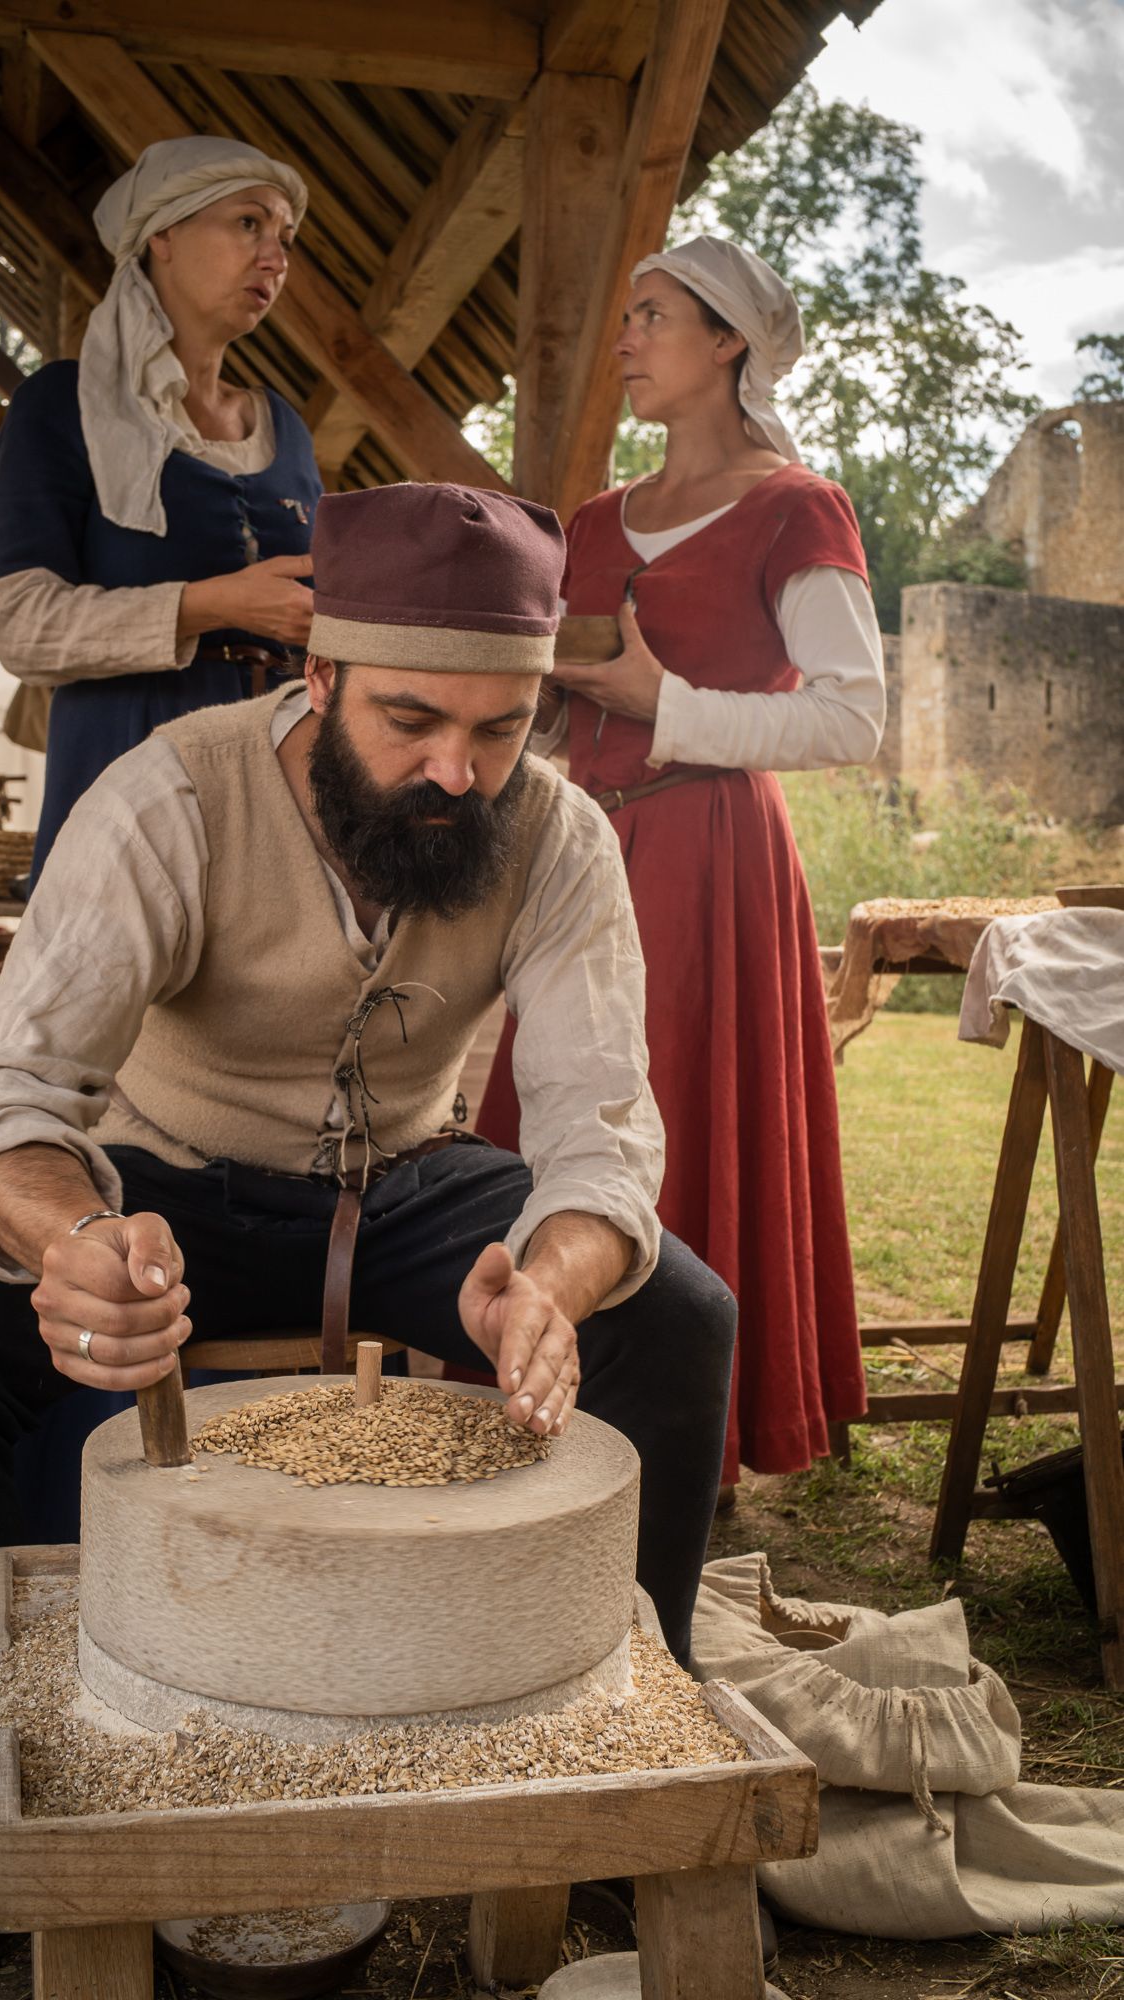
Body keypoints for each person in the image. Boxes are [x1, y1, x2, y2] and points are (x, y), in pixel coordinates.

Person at [0, 483, 736, 2000]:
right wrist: (68, 1240)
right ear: (315, 684)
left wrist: (551, 1287)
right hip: (162, 1180)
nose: (457, 771)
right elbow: (14, 1088)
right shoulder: (172, 798)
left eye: (500, 731)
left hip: (408, 1184)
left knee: (677, 1313)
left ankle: (621, 1736)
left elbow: (597, 1123)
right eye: (410, 722)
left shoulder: (558, 836)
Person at [480, 237, 885, 1497]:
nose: (626, 337)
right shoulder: (592, 525)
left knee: (687, 1118)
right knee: (553, 1110)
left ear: (728, 344)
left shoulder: (795, 506)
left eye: (650, 315)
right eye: (626, 314)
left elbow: (851, 717)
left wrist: (673, 704)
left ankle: (683, 1440)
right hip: (577, 850)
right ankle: (529, 1382)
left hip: (713, 859)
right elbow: (561, 705)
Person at [0, 135, 322, 877]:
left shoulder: (285, 427)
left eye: (285, 239)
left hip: (279, 794)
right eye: (248, 224)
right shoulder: (60, 407)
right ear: (162, 233)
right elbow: (22, 628)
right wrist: (212, 604)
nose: (275, 257)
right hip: (126, 774)